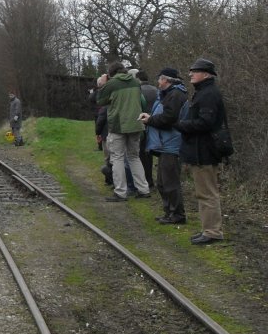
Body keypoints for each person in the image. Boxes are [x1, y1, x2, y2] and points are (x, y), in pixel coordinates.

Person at [175, 58, 227, 245]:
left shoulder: (208, 94)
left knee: (207, 193)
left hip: (205, 151)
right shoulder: (204, 92)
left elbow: (206, 123)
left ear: (206, 74)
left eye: (194, 71)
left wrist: (182, 125)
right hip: (201, 150)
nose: (190, 74)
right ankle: (208, 229)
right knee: (203, 192)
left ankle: (213, 232)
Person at [96, 62, 151, 201]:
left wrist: (103, 84)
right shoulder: (135, 82)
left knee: (117, 158)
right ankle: (143, 190)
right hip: (136, 123)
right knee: (134, 157)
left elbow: (100, 101)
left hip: (118, 125)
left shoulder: (112, 84)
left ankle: (120, 192)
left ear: (111, 73)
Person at [140, 67, 187, 224]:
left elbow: (169, 119)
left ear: (166, 80)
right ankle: (169, 212)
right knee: (162, 182)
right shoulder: (168, 95)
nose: (158, 82)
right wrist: (151, 117)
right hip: (164, 145)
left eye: (160, 79)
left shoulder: (175, 95)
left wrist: (150, 120)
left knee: (170, 182)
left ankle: (177, 215)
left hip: (171, 144)